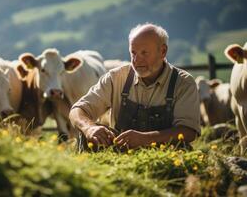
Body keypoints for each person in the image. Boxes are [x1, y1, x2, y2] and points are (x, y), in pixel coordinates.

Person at [69, 23, 200, 152]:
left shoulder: (183, 83)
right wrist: (89, 128)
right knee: (89, 136)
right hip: (119, 154)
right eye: (133, 53)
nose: (137, 60)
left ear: (163, 51)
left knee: (182, 149)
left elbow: (188, 131)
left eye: (144, 53)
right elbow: (77, 110)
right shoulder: (116, 77)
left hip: (166, 155)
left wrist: (145, 139)